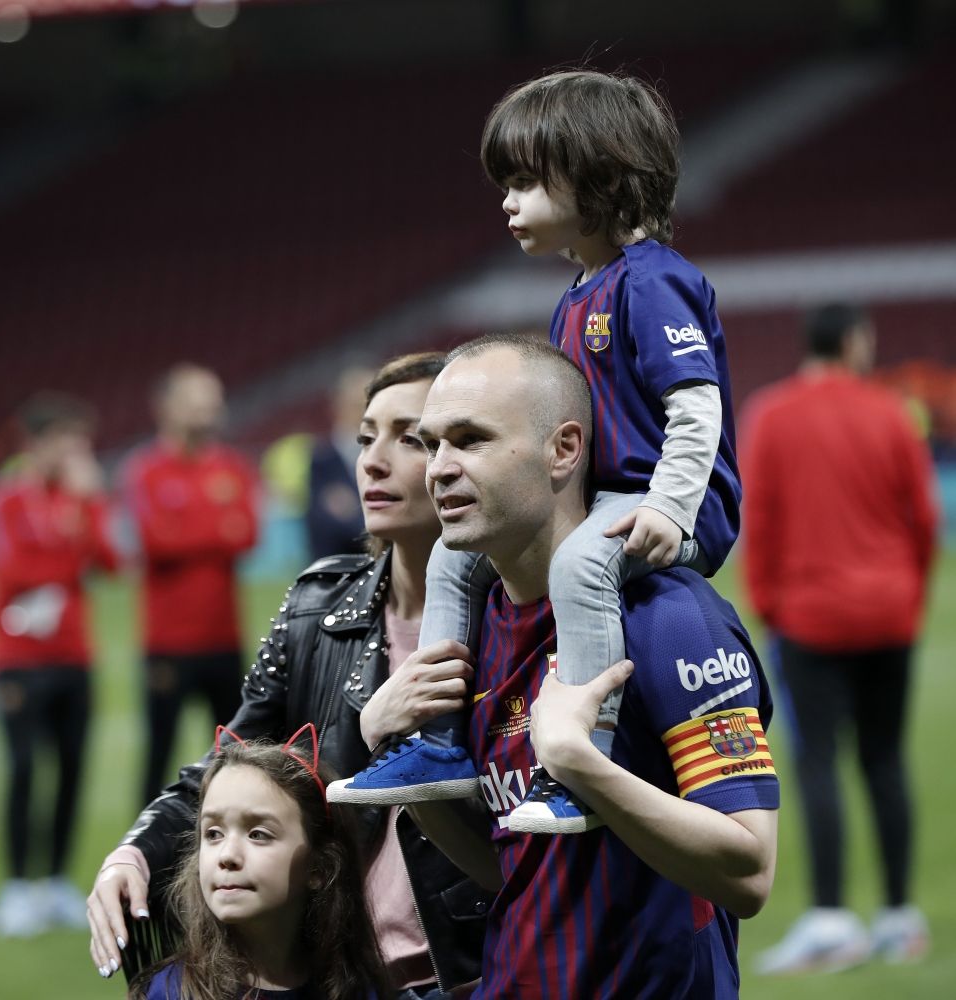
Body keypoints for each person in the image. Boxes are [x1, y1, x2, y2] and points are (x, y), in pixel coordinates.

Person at [337, 71, 741, 833]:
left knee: (578, 564)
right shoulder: (578, 293)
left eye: (524, 182)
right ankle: (439, 739)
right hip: (602, 499)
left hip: (667, 505)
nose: (507, 203)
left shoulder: (654, 283)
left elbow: (697, 409)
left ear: (599, 174)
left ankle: (584, 761)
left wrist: (669, 505)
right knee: (454, 559)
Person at [333, 337, 778, 998]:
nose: (439, 469)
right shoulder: (474, 628)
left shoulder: (668, 618)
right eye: (431, 445)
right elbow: (508, 866)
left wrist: (580, 763)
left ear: (564, 449)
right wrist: (402, 754)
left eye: (472, 440)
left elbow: (748, 871)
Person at [88, 353, 493, 999]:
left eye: (409, 438)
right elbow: (231, 767)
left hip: (472, 976)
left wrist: (365, 734)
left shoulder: (518, 623)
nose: (373, 461)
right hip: (336, 977)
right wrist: (132, 852)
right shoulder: (319, 605)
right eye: (365, 438)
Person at [741, 304, 938, 974]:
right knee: (885, 760)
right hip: (888, 615)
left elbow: (757, 520)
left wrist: (771, 608)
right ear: (855, 342)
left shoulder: (771, 415)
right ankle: (899, 916)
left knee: (818, 761)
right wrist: (909, 598)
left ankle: (829, 919)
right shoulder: (891, 412)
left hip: (809, 618)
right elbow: (925, 517)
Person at [0, 391, 118, 937]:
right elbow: (12, 570)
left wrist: (90, 508)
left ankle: (55, 881)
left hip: (73, 655)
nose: (77, 451)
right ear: (35, 443)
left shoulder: (82, 500)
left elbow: (109, 562)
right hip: (18, 659)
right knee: (23, 768)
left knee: (73, 768)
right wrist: (66, 538)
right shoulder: (5, 499)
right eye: (67, 439)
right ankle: (16, 889)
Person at [127, 735, 388, 1000]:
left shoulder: (354, 989)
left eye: (258, 834)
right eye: (213, 834)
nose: (227, 855)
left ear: (318, 866)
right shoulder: (171, 992)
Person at [121, 364, 260, 807]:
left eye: (213, 398)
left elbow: (248, 535)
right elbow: (153, 541)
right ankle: (144, 860)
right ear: (166, 407)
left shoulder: (232, 466)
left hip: (224, 638)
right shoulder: (145, 471)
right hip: (168, 642)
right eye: (199, 398)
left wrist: (188, 529)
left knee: (236, 754)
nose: (211, 408)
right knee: (157, 753)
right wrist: (217, 527)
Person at [307, 367, 376, 559]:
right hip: (340, 573)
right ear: (339, 405)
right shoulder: (321, 459)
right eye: (359, 403)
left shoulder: (391, 453)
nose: (366, 410)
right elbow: (326, 527)